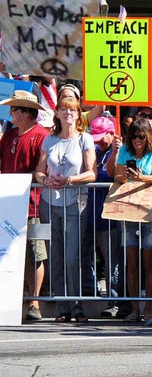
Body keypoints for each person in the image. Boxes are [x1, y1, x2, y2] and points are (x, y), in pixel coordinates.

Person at [35, 96, 96, 323]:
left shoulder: (84, 139)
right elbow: (39, 171)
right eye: (63, 109)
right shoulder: (49, 140)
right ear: (57, 114)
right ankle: (63, 307)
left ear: (78, 115)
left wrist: (69, 180)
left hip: (75, 202)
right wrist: (45, 180)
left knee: (72, 257)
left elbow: (92, 173)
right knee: (56, 258)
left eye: (72, 110)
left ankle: (77, 305)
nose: (68, 113)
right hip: (50, 203)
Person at [0, 90, 51, 321]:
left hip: (32, 203)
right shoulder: (9, 135)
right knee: (8, 252)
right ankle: (9, 299)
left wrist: (20, 179)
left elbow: (42, 171)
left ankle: (34, 302)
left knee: (34, 253)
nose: (10, 112)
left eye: (14, 109)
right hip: (8, 202)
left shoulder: (41, 135)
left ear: (26, 112)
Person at [115, 118, 152, 322]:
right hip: (129, 208)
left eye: (141, 136)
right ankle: (135, 308)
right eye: (133, 136)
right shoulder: (124, 151)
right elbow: (117, 176)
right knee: (131, 263)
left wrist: (141, 177)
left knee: (149, 262)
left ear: (148, 137)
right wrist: (127, 176)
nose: (137, 140)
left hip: (151, 208)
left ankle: (149, 309)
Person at [83, 116, 122, 317]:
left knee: (111, 261)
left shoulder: (118, 151)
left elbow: (111, 173)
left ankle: (114, 301)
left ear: (111, 133)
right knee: (87, 254)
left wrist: (115, 151)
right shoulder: (96, 151)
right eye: (95, 137)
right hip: (92, 212)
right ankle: (90, 290)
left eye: (102, 137)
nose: (99, 141)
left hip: (110, 216)